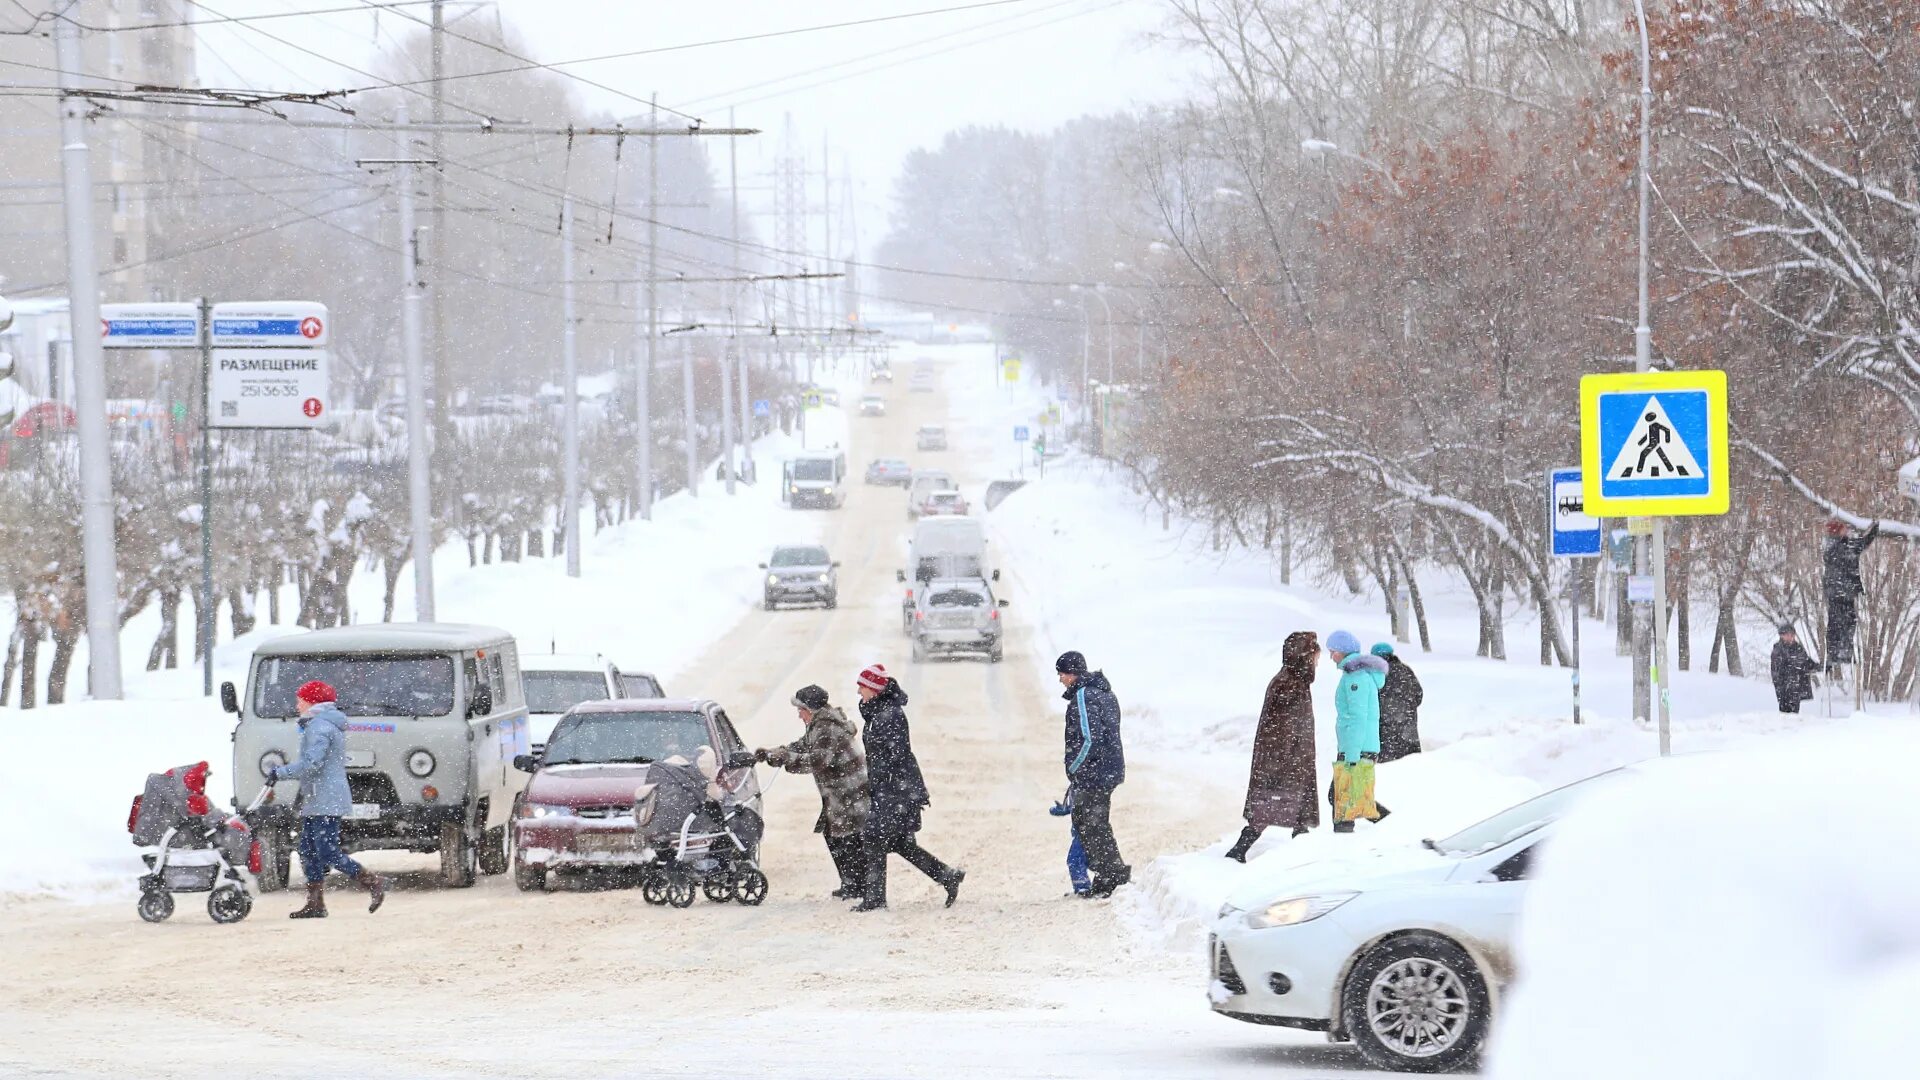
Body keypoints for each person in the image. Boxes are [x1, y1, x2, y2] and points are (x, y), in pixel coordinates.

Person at [266, 680, 388, 918]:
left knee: (327, 852)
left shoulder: (319, 727)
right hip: (318, 798)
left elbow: (312, 764)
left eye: (300, 699)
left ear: (312, 701)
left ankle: (373, 882)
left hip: (326, 798)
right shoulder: (319, 724)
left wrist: (280, 773)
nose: (297, 703)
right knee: (307, 849)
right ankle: (315, 903)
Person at [852, 665, 963, 911]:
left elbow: (897, 755)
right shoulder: (876, 712)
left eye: (862, 686)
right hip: (889, 788)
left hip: (895, 789)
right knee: (900, 843)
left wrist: (886, 786)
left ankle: (875, 899)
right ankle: (947, 875)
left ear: (874, 688)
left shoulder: (889, 714)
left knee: (874, 838)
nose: (859, 691)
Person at [757, 685, 870, 899]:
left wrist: (785, 758)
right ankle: (853, 883)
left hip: (849, 792)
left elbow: (818, 761)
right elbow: (803, 745)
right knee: (836, 834)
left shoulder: (827, 727)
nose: (799, 715)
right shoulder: (820, 724)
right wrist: (775, 753)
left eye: (800, 710)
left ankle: (857, 884)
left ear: (810, 709)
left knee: (846, 837)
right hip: (841, 792)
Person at [1225, 631, 1320, 863]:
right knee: (1272, 806)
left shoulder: (1293, 680)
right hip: (1286, 760)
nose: (1318, 661)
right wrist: (1286, 759)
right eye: (1315, 656)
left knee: (1296, 810)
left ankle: (1303, 854)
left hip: (1294, 759)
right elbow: (1281, 730)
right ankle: (1238, 851)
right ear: (1304, 657)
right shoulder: (1289, 684)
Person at [1057, 650, 1129, 897]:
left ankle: (1112, 874)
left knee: (1090, 825)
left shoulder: (1084, 697)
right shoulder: (1102, 693)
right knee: (1095, 823)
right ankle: (1109, 874)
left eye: (1062, 673)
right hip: (1106, 770)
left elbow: (1090, 739)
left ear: (1072, 673)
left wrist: (1074, 768)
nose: (1060, 679)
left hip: (1094, 773)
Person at [1325, 630, 1389, 834]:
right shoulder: (1356, 675)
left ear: (1343, 652)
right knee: (1351, 797)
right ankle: (1391, 825)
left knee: (1344, 802)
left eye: (1333, 651)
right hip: (1358, 747)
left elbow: (1357, 718)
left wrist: (1351, 756)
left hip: (1357, 749)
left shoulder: (1356, 678)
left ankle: (1391, 826)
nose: (1330, 656)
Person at [1822, 519, 1879, 669]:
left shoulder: (1831, 545)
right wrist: (1874, 530)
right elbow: (1861, 544)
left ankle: (1837, 652)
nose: (1846, 531)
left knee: (1838, 622)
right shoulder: (1842, 547)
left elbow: (1858, 544)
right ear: (1838, 531)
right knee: (1846, 622)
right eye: (1844, 529)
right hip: (1842, 592)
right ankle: (1841, 652)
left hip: (1837, 592)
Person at [1371, 642, 1424, 762]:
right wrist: (1407, 710)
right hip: (1408, 733)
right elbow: (1418, 695)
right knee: (1411, 769)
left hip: (1386, 736)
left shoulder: (1376, 674)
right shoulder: (1405, 670)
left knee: (1390, 772)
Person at [1770, 624, 1819, 714]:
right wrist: (1783, 685)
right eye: (1787, 635)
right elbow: (1777, 672)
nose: (1790, 637)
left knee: (1795, 714)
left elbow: (1806, 662)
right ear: (1781, 636)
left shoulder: (1798, 648)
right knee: (1786, 715)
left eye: (1792, 635)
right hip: (1785, 690)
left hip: (1797, 688)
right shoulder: (1778, 650)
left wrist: (1819, 667)